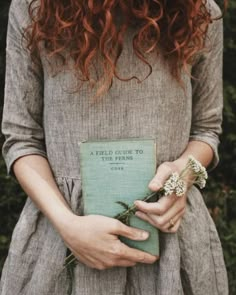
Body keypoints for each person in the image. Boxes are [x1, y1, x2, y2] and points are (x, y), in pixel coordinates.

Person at [0, 0, 228, 294]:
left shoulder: (201, 13)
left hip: (171, 239)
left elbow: (206, 130)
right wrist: (68, 225)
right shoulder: (34, 9)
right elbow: (22, 138)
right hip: (60, 238)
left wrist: (183, 172)